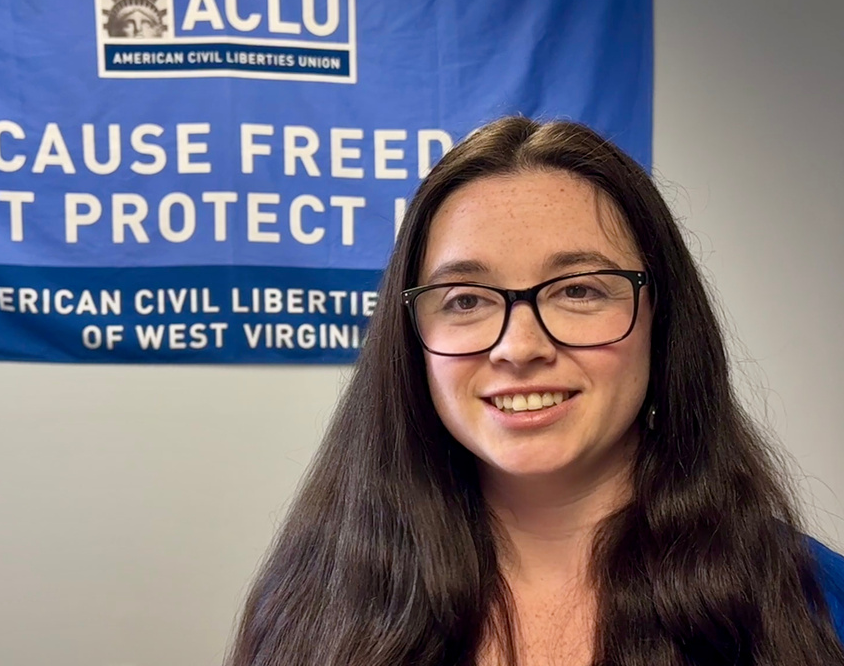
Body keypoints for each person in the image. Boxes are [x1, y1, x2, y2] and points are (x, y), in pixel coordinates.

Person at [226, 116, 844, 666]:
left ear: (664, 317)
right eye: (465, 300)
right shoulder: (311, 608)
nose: (519, 348)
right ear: (410, 343)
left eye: (578, 290)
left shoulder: (812, 599)